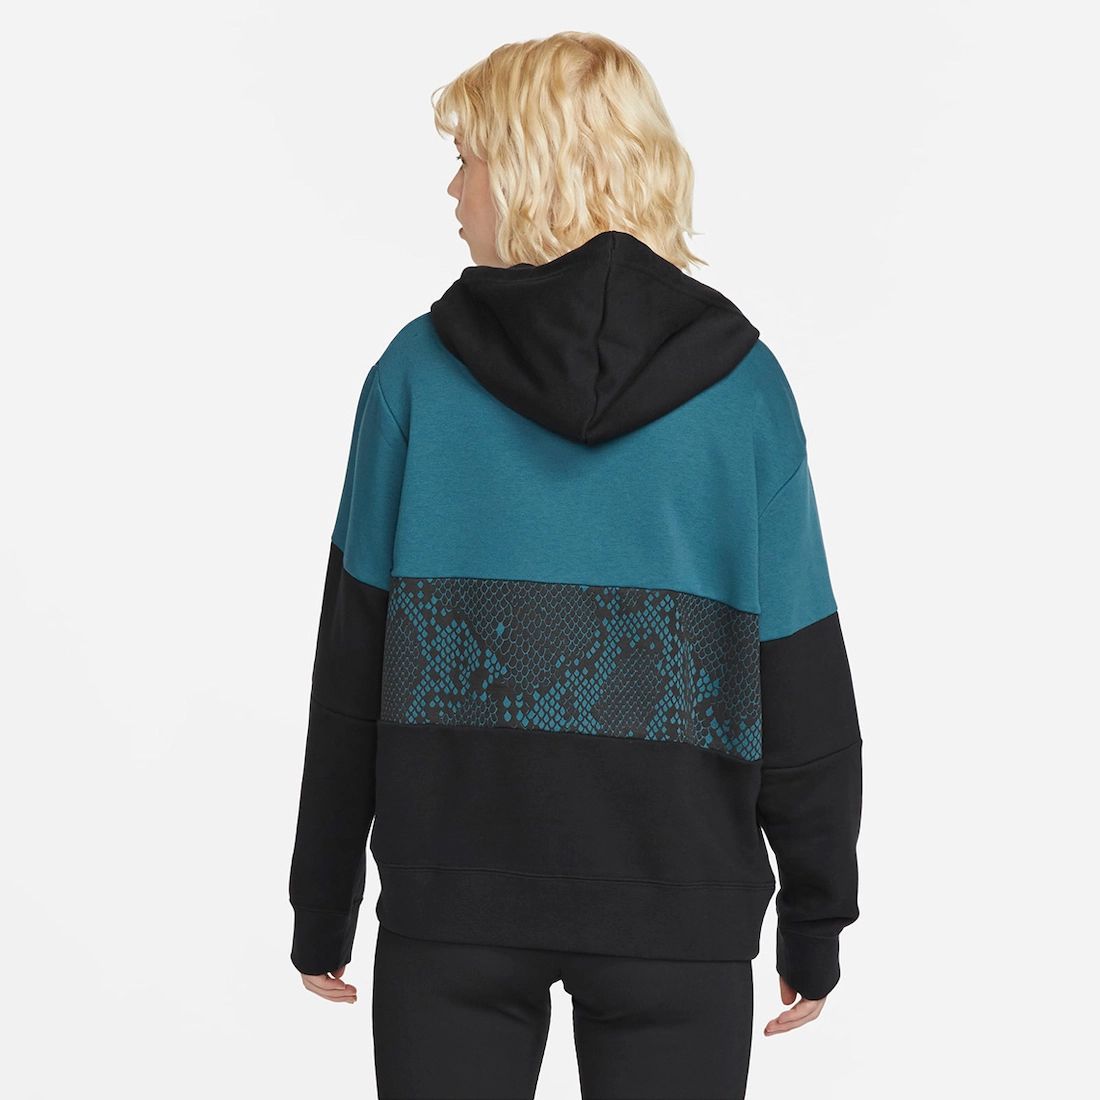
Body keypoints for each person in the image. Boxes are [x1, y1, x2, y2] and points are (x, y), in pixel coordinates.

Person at [287, 30, 862, 1100]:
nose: (451, 189)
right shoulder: (742, 388)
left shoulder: (415, 374)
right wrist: (816, 909)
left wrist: (321, 896)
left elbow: (353, 654)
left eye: (467, 159)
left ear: (530, 169)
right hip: (677, 902)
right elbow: (797, 666)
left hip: (454, 901)